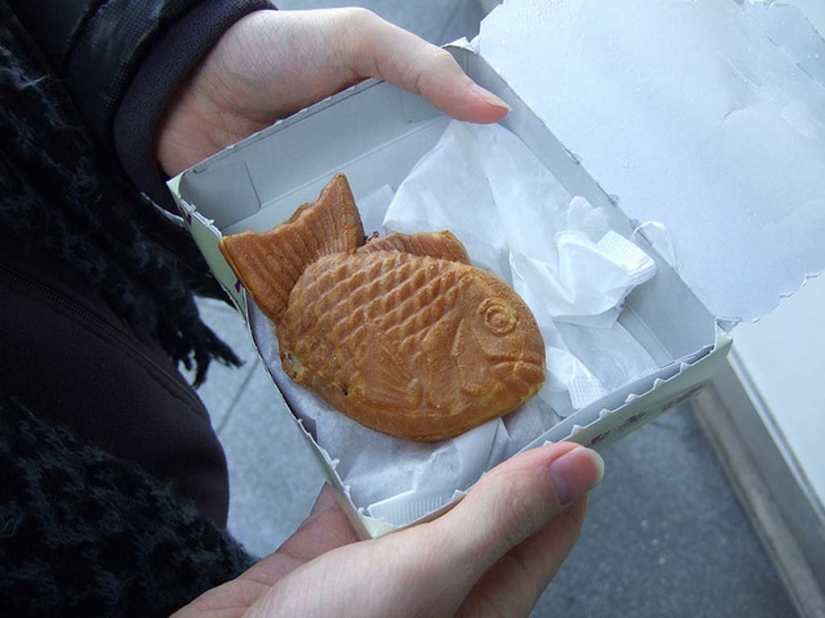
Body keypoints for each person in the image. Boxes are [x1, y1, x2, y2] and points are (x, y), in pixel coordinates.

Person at [0, 2, 604, 616]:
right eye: (497, 324)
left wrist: (173, 59)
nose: (515, 345)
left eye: (496, 323)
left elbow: (441, 259)